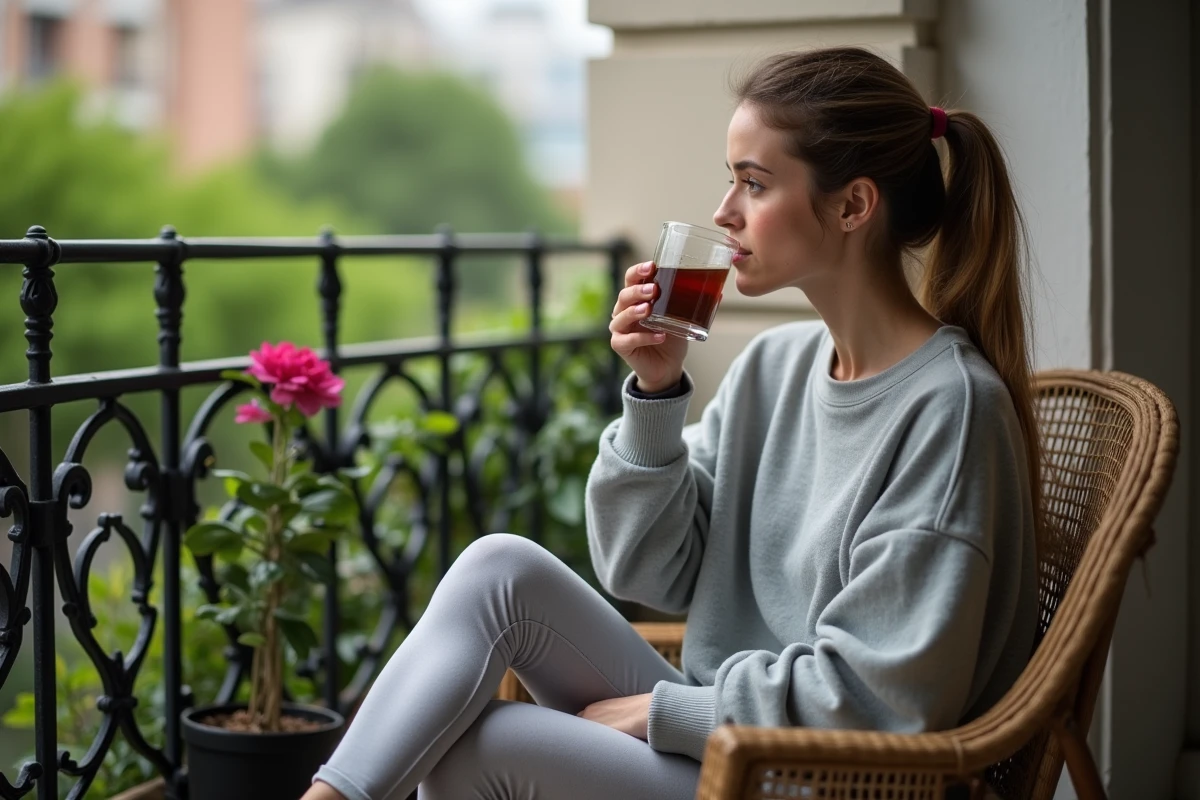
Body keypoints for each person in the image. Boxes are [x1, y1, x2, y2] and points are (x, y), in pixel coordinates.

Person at [301, 45, 1040, 800]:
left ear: (852, 206)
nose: (723, 213)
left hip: (830, 779)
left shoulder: (948, 410)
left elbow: (884, 700)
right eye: (731, 180)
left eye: (754, 183)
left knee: (479, 748)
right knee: (498, 569)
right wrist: (655, 396)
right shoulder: (774, 366)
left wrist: (666, 711)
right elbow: (654, 571)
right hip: (730, 745)